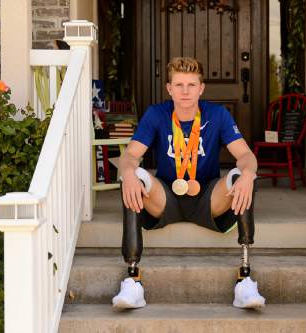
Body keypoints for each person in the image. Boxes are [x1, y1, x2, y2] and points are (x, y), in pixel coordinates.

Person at [112, 57, 265, 309]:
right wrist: (127, 172)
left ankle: (245, 281)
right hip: (165, 199)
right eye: (179, 85)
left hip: (207, 198)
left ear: (201, 88)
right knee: (134, 176)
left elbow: (246, 156)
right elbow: (130, 155)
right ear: (169, 88)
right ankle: (133, 281)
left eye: (191, 85)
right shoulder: (156, 114)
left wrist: (248, 174)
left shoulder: (217, 114)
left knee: (242, 176)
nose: (185, 91)